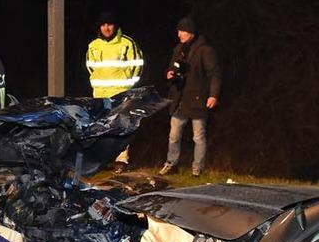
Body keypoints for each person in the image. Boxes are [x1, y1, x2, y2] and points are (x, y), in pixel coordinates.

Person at [159, 15, 220, 177]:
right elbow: (171, 67)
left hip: (198, 100)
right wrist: (170, 74)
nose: (179, 34)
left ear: (191, 33)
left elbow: (214, 74)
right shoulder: (178, 49)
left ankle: (198, 167)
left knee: (198, 136)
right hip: (179, 100)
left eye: (182, 31)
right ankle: (171, 163)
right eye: (179, 31)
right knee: (173, 135)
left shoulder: (205, 50)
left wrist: (213, 95)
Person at [85, 9, 144, 167]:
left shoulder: (127, 43)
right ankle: (103, 160)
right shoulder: (93, 45)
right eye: (103, 25)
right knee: (102, 129)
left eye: (109, 24)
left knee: (122, 127)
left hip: (121, 92)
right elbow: (91, 67)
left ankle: (121, 160)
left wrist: (129, 85)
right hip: (100, 94)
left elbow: (137, 66)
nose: (106, 28)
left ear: (115, 26)